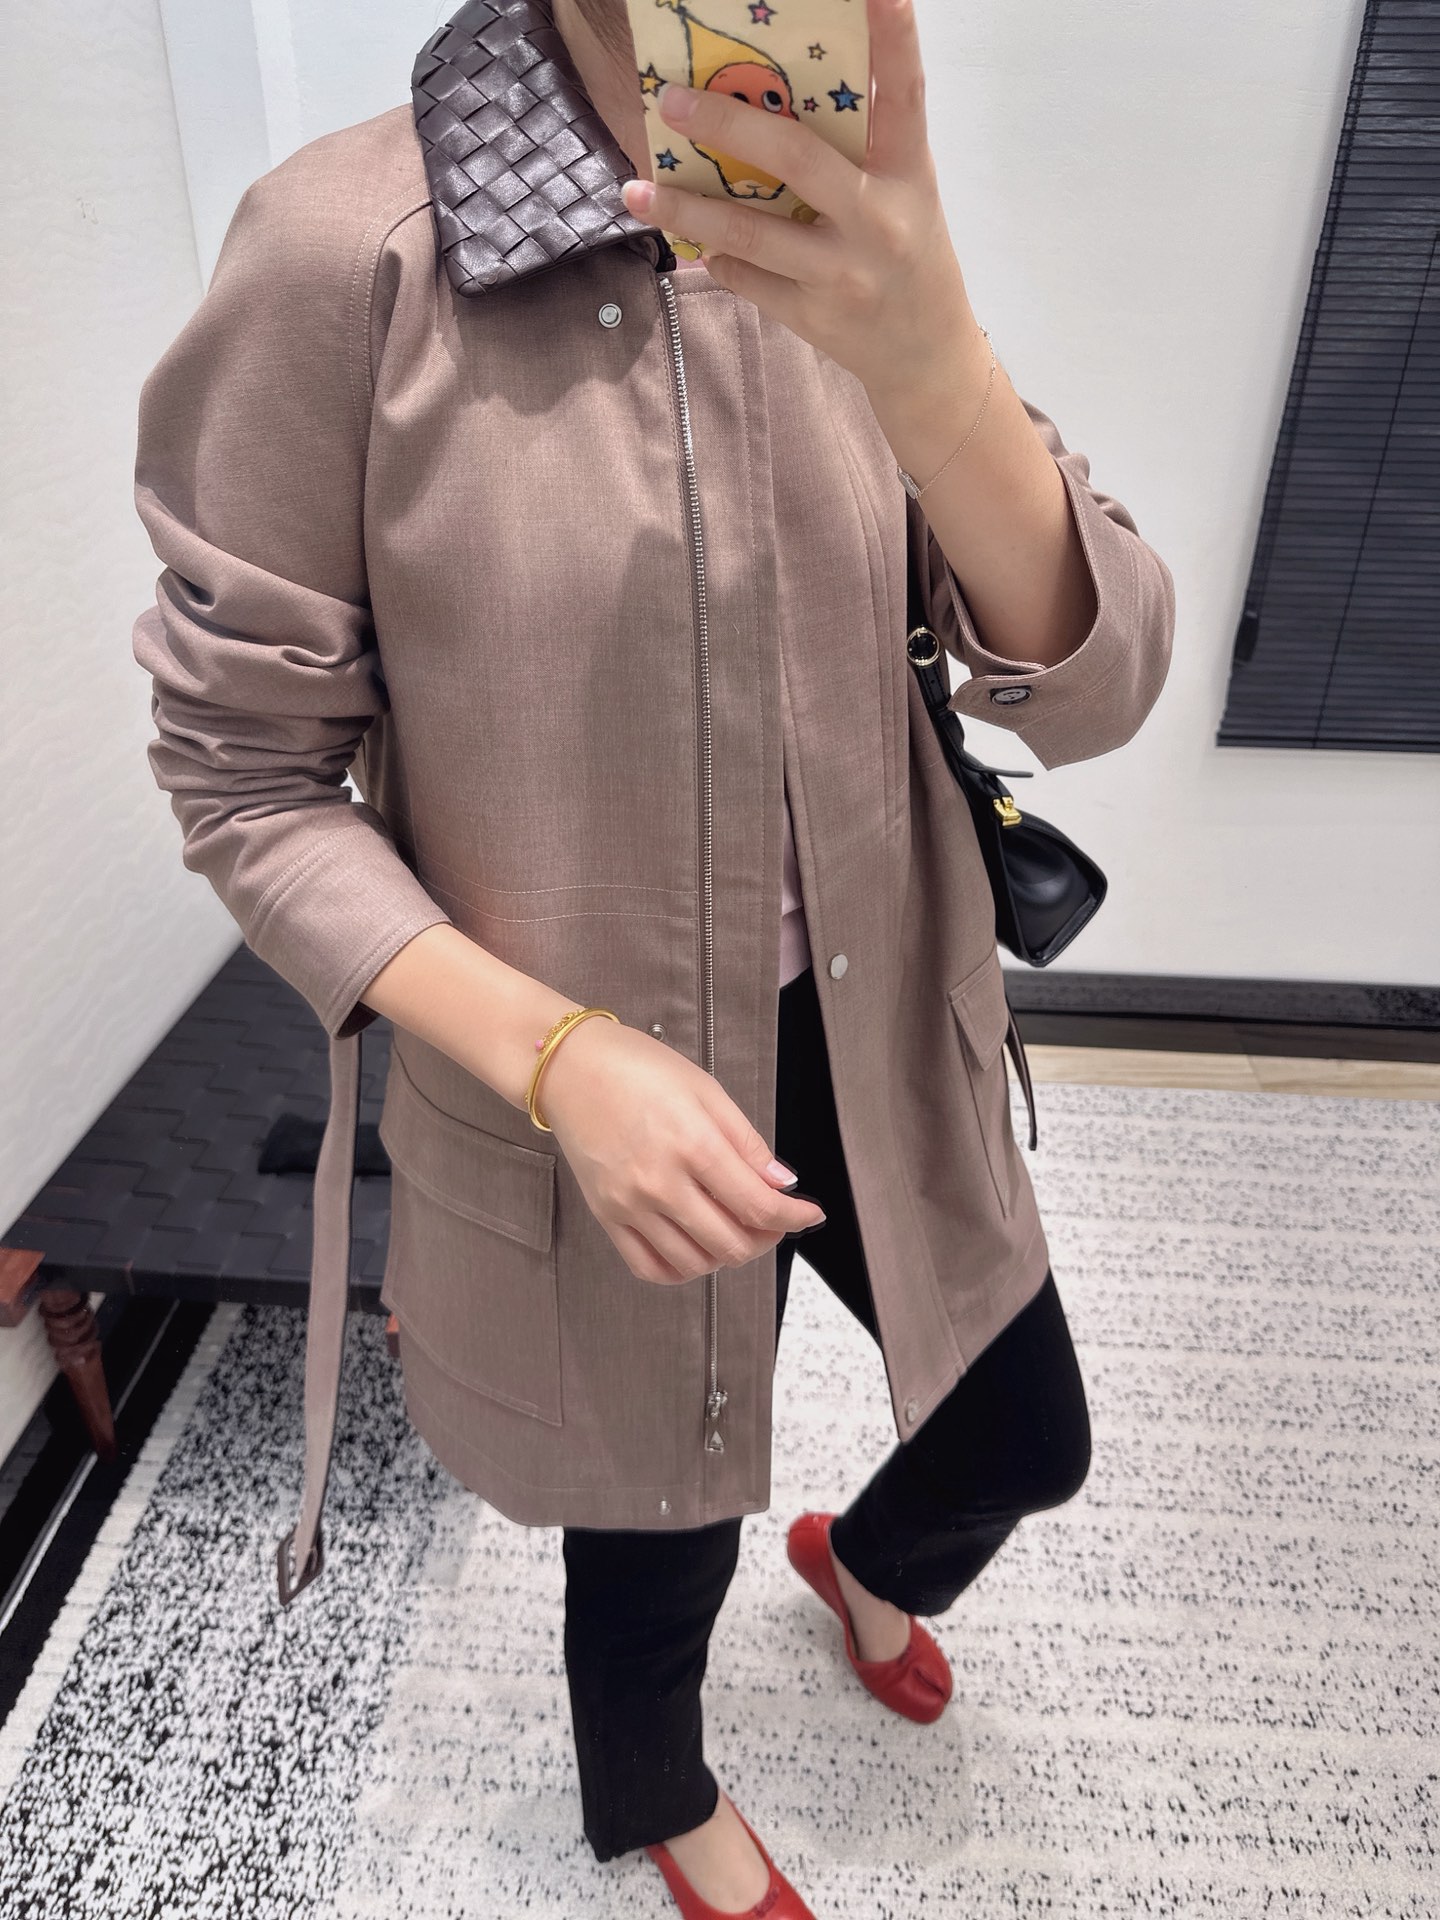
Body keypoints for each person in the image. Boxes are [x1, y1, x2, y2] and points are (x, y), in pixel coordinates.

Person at [130, 0, 1175, 1913]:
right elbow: (245, 782)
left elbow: (1093, 683)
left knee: (1027, 1437)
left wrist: (934, 354)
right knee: (654, 1524)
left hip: (880, 1016)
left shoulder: (841, 199)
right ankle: (658, 1797)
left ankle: (866, 1564)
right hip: (586, 1092)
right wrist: (555, 1058)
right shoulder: (344, 255)